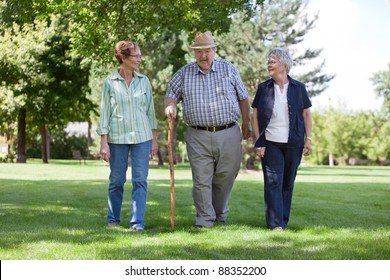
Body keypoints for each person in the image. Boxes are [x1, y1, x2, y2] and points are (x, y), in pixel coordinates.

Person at [164, 31, 251, 228]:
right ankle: (204, 220)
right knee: (202, 179)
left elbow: (243, 97)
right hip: (197, 135)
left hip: (228, 132)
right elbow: (171, 94)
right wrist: (169, 105)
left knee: (226, 176)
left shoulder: (228, 69)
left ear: (214, 50)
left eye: (207, 51)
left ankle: (219, 213)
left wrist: (246, 123)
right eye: (199, 51)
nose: (203, 56)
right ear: (194, 53)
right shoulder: (184, 73)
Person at [96, 41, 158, 231]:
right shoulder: (109, 83)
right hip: (117, 138)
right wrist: (103, 142)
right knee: (116, 180)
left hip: (142, 137)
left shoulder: (144, 81)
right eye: (136, 56)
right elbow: (105, 112)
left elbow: (150, 112)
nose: (139, 59)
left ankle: (137, 222)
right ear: (123, 57)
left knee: (140, 180)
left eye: (140, 55)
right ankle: (113, 219)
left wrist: (154, 139)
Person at [252, 47, 312, 231]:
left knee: (287, 183)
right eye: (268, 61)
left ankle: (282, 221)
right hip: (270, 142)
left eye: (273, 61)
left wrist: (308, 139)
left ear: (284, 65)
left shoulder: (298, 88)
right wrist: (258, 141)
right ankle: (275, 224)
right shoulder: (264, 88)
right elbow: (255, 115)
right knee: (273, 182)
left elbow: (306, 114)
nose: (269, 64)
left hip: (293, 142)